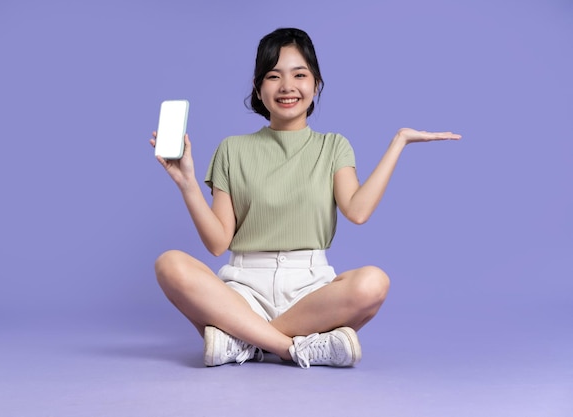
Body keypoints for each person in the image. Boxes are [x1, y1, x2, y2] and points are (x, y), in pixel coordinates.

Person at [150, 28, 461, 369]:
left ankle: (244, 341)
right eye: (273, 76)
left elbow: (357, 212)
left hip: (311, 290)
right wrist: (188, 183)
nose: (287, 87)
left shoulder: (333, 146)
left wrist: (399, 141)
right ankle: (292, 348)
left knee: (374, 282)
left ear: (315, 85)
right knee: (170, 264)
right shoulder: (232, 149)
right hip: (243, 290)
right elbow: (217, 243)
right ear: (258, 88)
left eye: (300, 74)